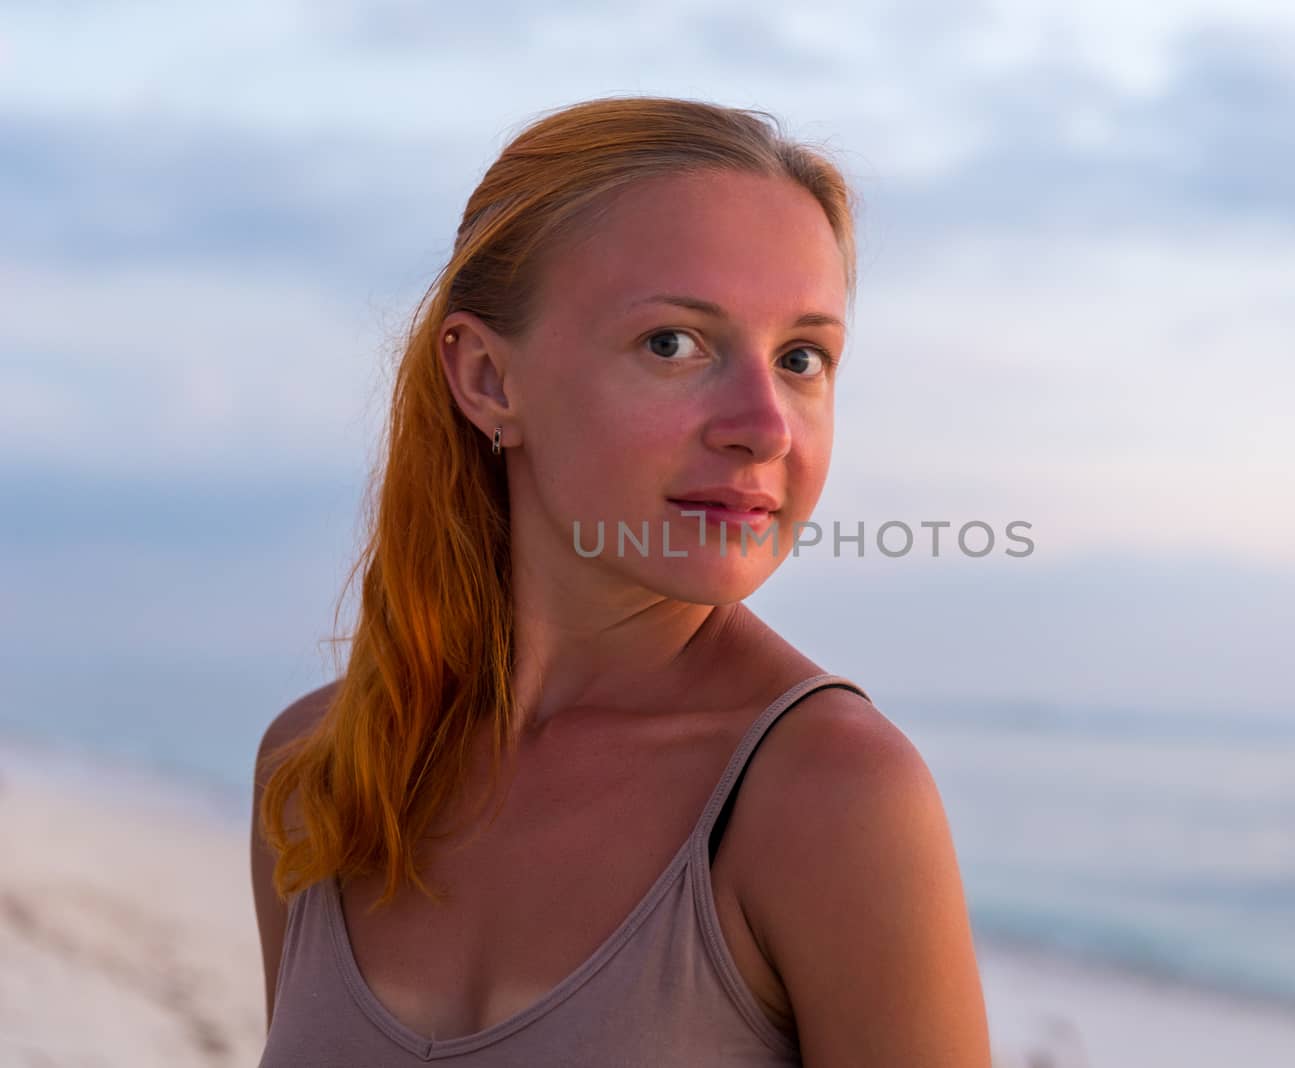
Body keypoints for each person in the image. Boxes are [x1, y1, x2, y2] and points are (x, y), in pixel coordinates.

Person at [251, 95, 993, 1066]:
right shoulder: (324, 772)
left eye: (801, 358)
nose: (763, 425)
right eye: (673, 344)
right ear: (486, 379)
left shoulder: (828, 800)